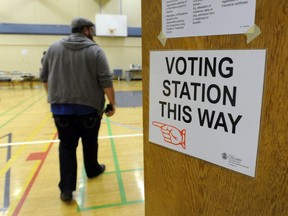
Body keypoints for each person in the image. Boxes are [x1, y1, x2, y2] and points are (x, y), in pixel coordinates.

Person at [40, 17, 116, 202]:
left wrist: (54, 99)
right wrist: (112, 103)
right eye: (92, 29)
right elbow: (105, 80)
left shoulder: (53, 48)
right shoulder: (95, 50)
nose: (93, 32)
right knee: (90, 142)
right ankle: (92, 170)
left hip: (61, 110)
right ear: (85, 30)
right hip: (89, 110)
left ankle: (66, 189)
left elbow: (44, 77)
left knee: (66, 147)